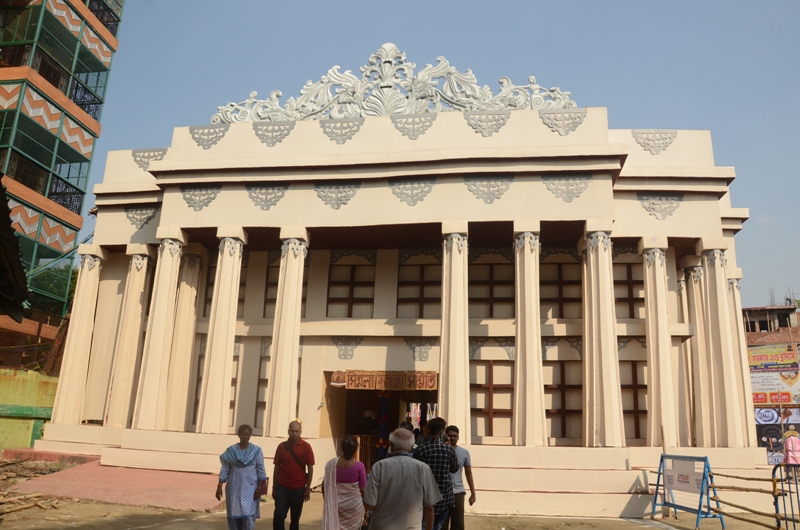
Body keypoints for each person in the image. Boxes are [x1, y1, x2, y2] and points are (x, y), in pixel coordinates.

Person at [364, 428, 441, 530]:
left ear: (391, 445)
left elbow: (370, 504)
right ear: (411, 447)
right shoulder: (423, 468)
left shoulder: (379, 466)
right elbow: (429, 507)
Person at [216, 424, 268, 530]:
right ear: (239, 435)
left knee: (248, 516)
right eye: (243, 435)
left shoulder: (256, 451)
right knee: (234, 517)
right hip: (234, 490)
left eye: (248, 435)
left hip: (251, 489)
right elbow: (225, 469)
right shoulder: (231, 451)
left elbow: (261, 471)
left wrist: (259, 488)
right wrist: (219, 486)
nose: (246, 437)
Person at [413, 417, 458, 530]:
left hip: (425, 496)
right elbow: (454, 469)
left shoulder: (421, 449)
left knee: (424, 525)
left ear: (428, 430)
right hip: (444, 496)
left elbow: (415, 472)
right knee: (438, 525)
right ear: (441, 431)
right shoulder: (449, 450)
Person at [272, 420, 315, 530]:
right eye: (292, 431)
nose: (294, 433)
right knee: (278, 516)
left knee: (295, 520)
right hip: (282, 488)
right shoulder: (281, 447)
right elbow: (276, 468)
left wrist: (307, 489)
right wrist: (274, 487)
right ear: (288, 431)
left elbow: (310, 468)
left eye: (297, 431)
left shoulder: (306, 447)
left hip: (298, 489)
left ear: (300, 432)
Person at [322, 435, 366, 530]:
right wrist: (366, 510)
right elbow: (363, 490)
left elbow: (325, 484)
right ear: (355, 450)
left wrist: (328, 501)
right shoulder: (359, 466)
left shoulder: (331, 464)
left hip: (335, 505)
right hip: (354, 507)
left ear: (342, 448)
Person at [442, 425, 476, 530]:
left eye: (455, 436)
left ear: (458, 437)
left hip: (458, 493)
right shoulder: (440, 450)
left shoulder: (464, 453)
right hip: (443, 493)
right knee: (442, 525)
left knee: (458, 525)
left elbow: (468, 473)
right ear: (445, 436)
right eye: (450, 436)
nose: (452, 438)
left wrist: (473, 493)